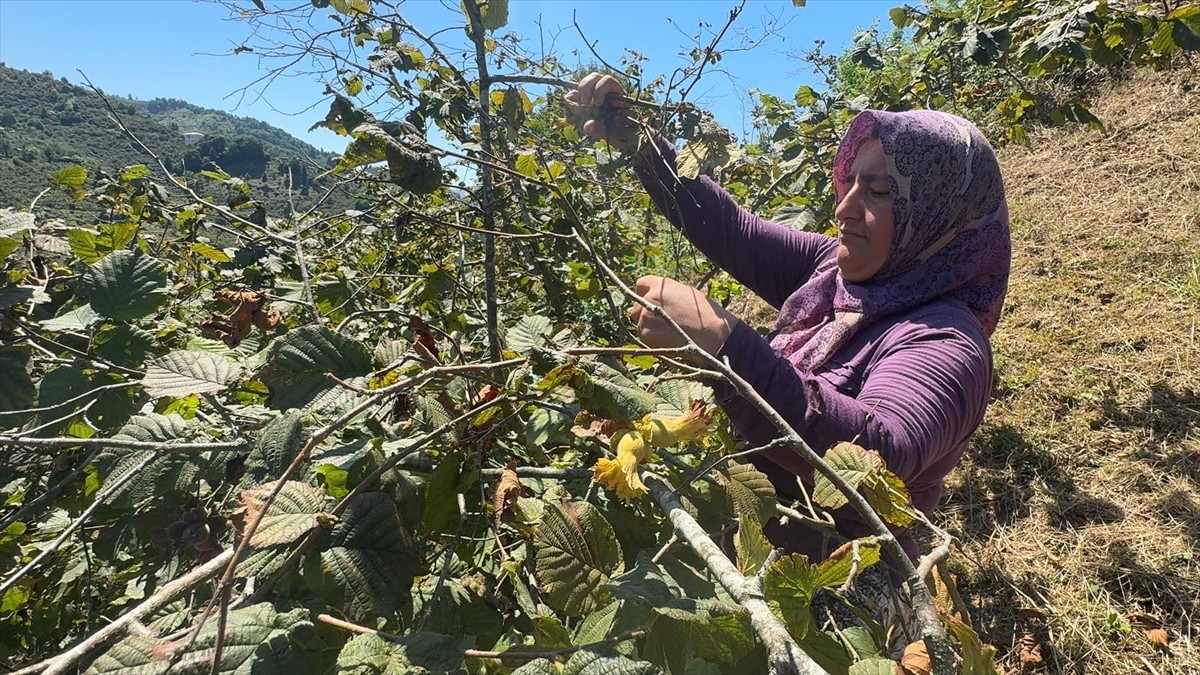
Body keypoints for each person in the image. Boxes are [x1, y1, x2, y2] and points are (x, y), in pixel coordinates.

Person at [564, 73, 1011, 564]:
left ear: (938, 213)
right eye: (851, 183)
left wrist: (726, 348)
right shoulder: (834, 271)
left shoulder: (946, 340)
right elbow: (731, 229)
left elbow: (885, 456)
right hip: (750, 535)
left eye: (879, 190)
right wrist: (640, 139)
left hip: (830, 579)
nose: (844, 208)